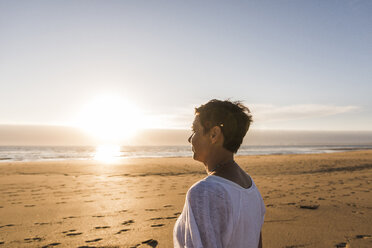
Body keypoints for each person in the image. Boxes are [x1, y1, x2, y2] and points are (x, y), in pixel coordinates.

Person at [173, 99, 265, 248]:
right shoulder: (249, 185)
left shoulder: (205, 192)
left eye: (195, 130)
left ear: (214, 134)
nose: (190, 139)